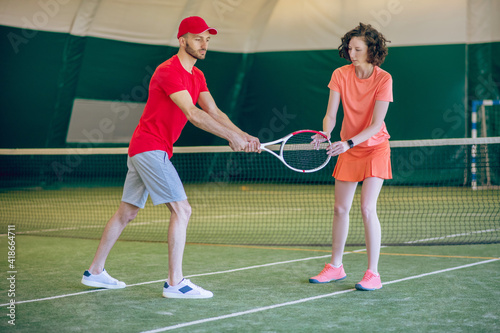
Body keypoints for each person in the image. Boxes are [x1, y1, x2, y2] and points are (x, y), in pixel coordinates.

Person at [81, 16, 260, 299]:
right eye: (198, 38)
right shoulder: (169, 71)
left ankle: (95, 272)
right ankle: (175, 283)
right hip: (150, 147)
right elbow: (193, 113)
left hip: (147, 148)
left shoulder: (197, 75)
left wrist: (243, 135)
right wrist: (230, 138)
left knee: (127, 212)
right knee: (182, 210)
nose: (204, 44)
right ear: (182, 40)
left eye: (207, 39)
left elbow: (214, 112)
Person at [309, 23, 392, 291]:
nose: (351, 53)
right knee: (340, 209)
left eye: (357, 49)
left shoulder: (384, 79)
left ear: (372, 51)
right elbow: (331, 114)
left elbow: (377, 124)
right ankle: (335, 267)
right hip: (348, 147)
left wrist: (348, 143)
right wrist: (325, 132)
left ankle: (373, 273)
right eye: (349, 48)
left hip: (375, 147)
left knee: (367, 208)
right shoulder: (340, 74)